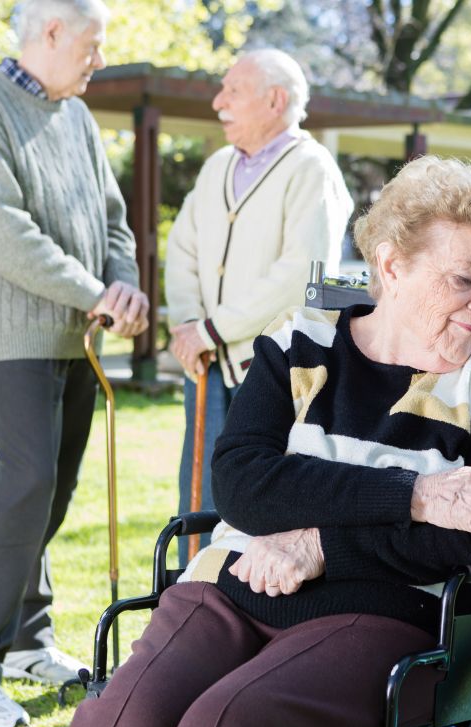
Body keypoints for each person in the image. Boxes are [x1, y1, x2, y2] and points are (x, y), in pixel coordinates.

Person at [66, 156, 471, 727]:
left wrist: (325, 546)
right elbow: (244, 485)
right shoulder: (298, 341)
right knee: (120, 724)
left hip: (377, 609)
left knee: (225, 725)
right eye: (465, 280)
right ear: (391, 266)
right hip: (231, 582)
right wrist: (418, 494)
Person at [0, 0, 149, 727]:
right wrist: (96, 291)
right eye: (91, 45)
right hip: (21, 333)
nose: (98, 59)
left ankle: (29, 638)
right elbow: (2, 230)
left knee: (52, 491)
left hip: (78, 335)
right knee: (24, 485)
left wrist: (120, 283)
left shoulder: (77, 118)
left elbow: (113, 221)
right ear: (50, 33)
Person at [164, 48, 354, 566]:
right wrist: (187, 325)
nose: (218, 101)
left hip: (270, 367)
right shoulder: (217, 167)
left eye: (233, 90)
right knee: (198, 487)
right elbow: (181, 248)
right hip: (204, 357)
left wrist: (211, 329)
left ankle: (249, 601)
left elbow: (299, 273)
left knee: (259, 496)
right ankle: (189, 600)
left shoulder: (312, 168)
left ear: (276, 100)